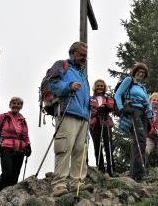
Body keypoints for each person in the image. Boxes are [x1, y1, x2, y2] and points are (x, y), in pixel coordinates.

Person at [48, 42, 92, 197]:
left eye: (86, 55)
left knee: (81, 150)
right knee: (64, 148)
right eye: (82, 55)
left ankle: (77, 182)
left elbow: (83, 95)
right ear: (72, 53)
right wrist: (69, 86)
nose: (84, 58)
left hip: (83, 116)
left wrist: (90, 101)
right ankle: (59, 184)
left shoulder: (82, 74)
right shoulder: (61, 65)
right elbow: (52, 84)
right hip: (67, 112)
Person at [114, 62, 153, 182]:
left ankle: (136, 172)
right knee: (139, 140)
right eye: (139, 72)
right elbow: (118, 94)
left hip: (143, 114)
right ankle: (138, 174)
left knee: (142, 142)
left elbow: (147, 102)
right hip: (133, 111)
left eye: (143, 73)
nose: (141, 74)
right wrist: (121, 109)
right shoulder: (128, 81)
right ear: (135, 72)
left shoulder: (142, 87)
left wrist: (150, 113)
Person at [0, 97, 31, 195]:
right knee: (6, 174)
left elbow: (25, 136)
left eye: (18, 104)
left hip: (20, 150)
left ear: (21, 107)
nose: (16, 105)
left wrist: (28, 146)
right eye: (14, 103)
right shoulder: (3, 117)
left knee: (14, 177)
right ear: (10, 105)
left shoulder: (23, 120)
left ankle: (8, 200)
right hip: (6, 149)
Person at [89, 79, 115, 176]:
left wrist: (106, 107)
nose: (100, 87)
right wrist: (98, 110)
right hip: (94, 123)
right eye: (98, 86)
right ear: (95, 87)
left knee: (108, 145)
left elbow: (112, 106)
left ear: (104, 88)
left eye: (101, 86)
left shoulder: (108, 98)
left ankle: (111, 168)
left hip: (106, 122)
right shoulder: (90, 98)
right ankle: (100, 168)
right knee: (97, 145)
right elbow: (90, 110)